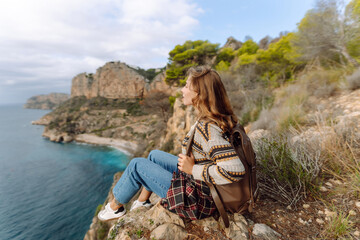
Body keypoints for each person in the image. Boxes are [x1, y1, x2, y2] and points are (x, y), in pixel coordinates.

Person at [97, 66, 245, 221]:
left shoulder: (208, 128)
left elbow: (235, 171)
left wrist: (193, 169)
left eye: (187, 86)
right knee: (154, 155)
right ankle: (142, 201)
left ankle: (115, 208)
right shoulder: (215, 117)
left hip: (198, 200)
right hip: (200, 185)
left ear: (199, 94)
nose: (182, 90)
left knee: (136, 165)